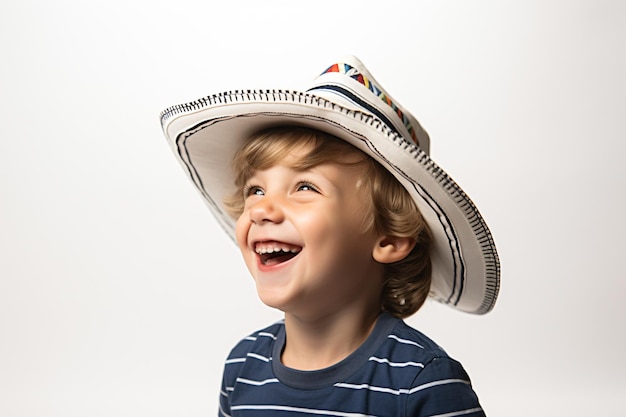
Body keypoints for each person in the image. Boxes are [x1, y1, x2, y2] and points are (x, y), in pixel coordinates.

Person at [160, 55, 500, 417]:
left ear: (389, 238)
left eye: (304, 186)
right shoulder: (243, 367)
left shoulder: (421, 382)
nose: (260, 210)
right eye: (255, 190)